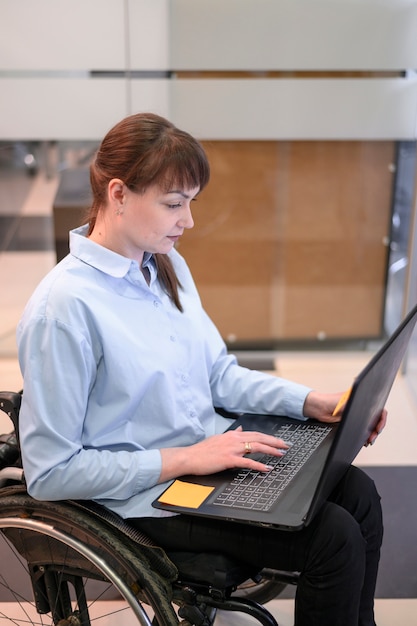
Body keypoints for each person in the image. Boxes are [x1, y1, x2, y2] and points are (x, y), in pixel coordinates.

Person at [17, 112, 386, 626]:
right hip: (149, 497)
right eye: (174, 204)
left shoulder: (164, 265)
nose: (188, 220)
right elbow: (51, 473)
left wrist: (309, 401)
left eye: (190, 202)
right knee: (333, 539)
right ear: (119, 194)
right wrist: (186, 459)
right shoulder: (64, 309)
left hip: (207, 459)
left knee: (359, 494)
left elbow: (218, 376)